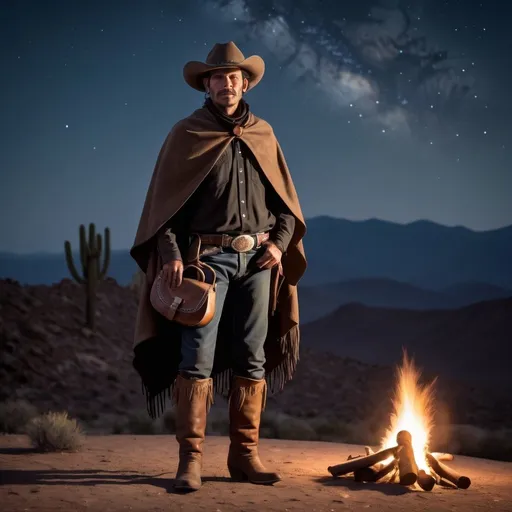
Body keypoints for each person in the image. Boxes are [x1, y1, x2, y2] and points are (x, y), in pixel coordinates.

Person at [129, 41, 307, 492]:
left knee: (253, 356)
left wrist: (281, 245)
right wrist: (171, 255)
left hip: (261, 261)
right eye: (217, 77)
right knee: (198, 357)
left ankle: (244, 456)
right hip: (207, 263)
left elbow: (284, 204)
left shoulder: (264, 133)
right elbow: (162, 210)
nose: (226, 84)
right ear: (204, 85)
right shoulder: (186, 134)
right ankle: (190, 460)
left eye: (234, 77)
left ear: (245, 83)